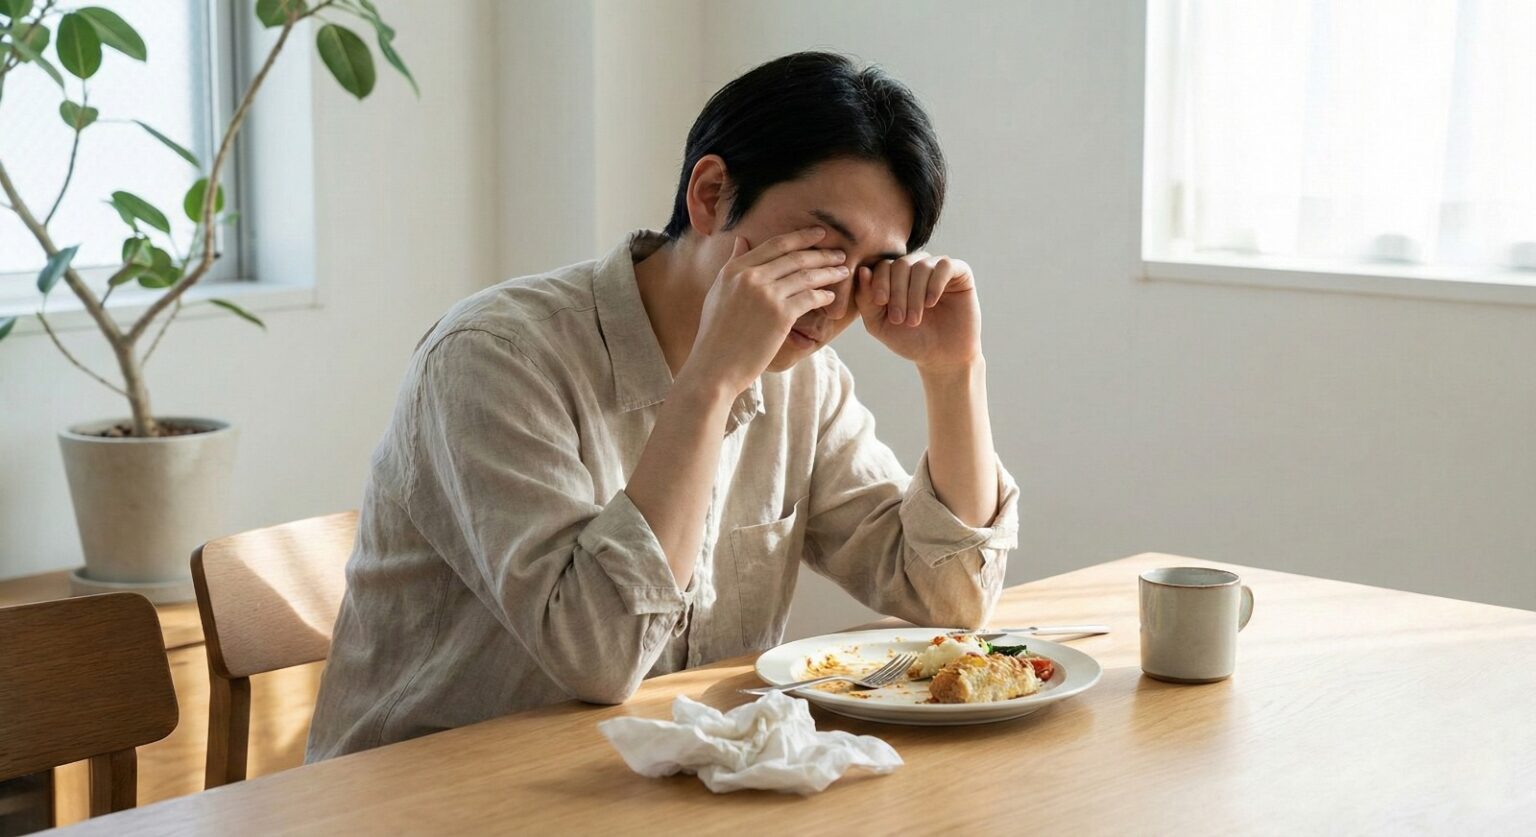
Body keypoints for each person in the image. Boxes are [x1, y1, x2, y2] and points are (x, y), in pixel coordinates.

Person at [306, 51, 1019, 761]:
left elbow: (951, 598)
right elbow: (601, 655)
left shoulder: (806, 381)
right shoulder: (493, 357)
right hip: (427, 795)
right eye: (820, 248)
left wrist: (954, 373)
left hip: (665, 789)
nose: (835, 299)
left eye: (870, 269)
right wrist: (710, 383)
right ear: (710, 195)